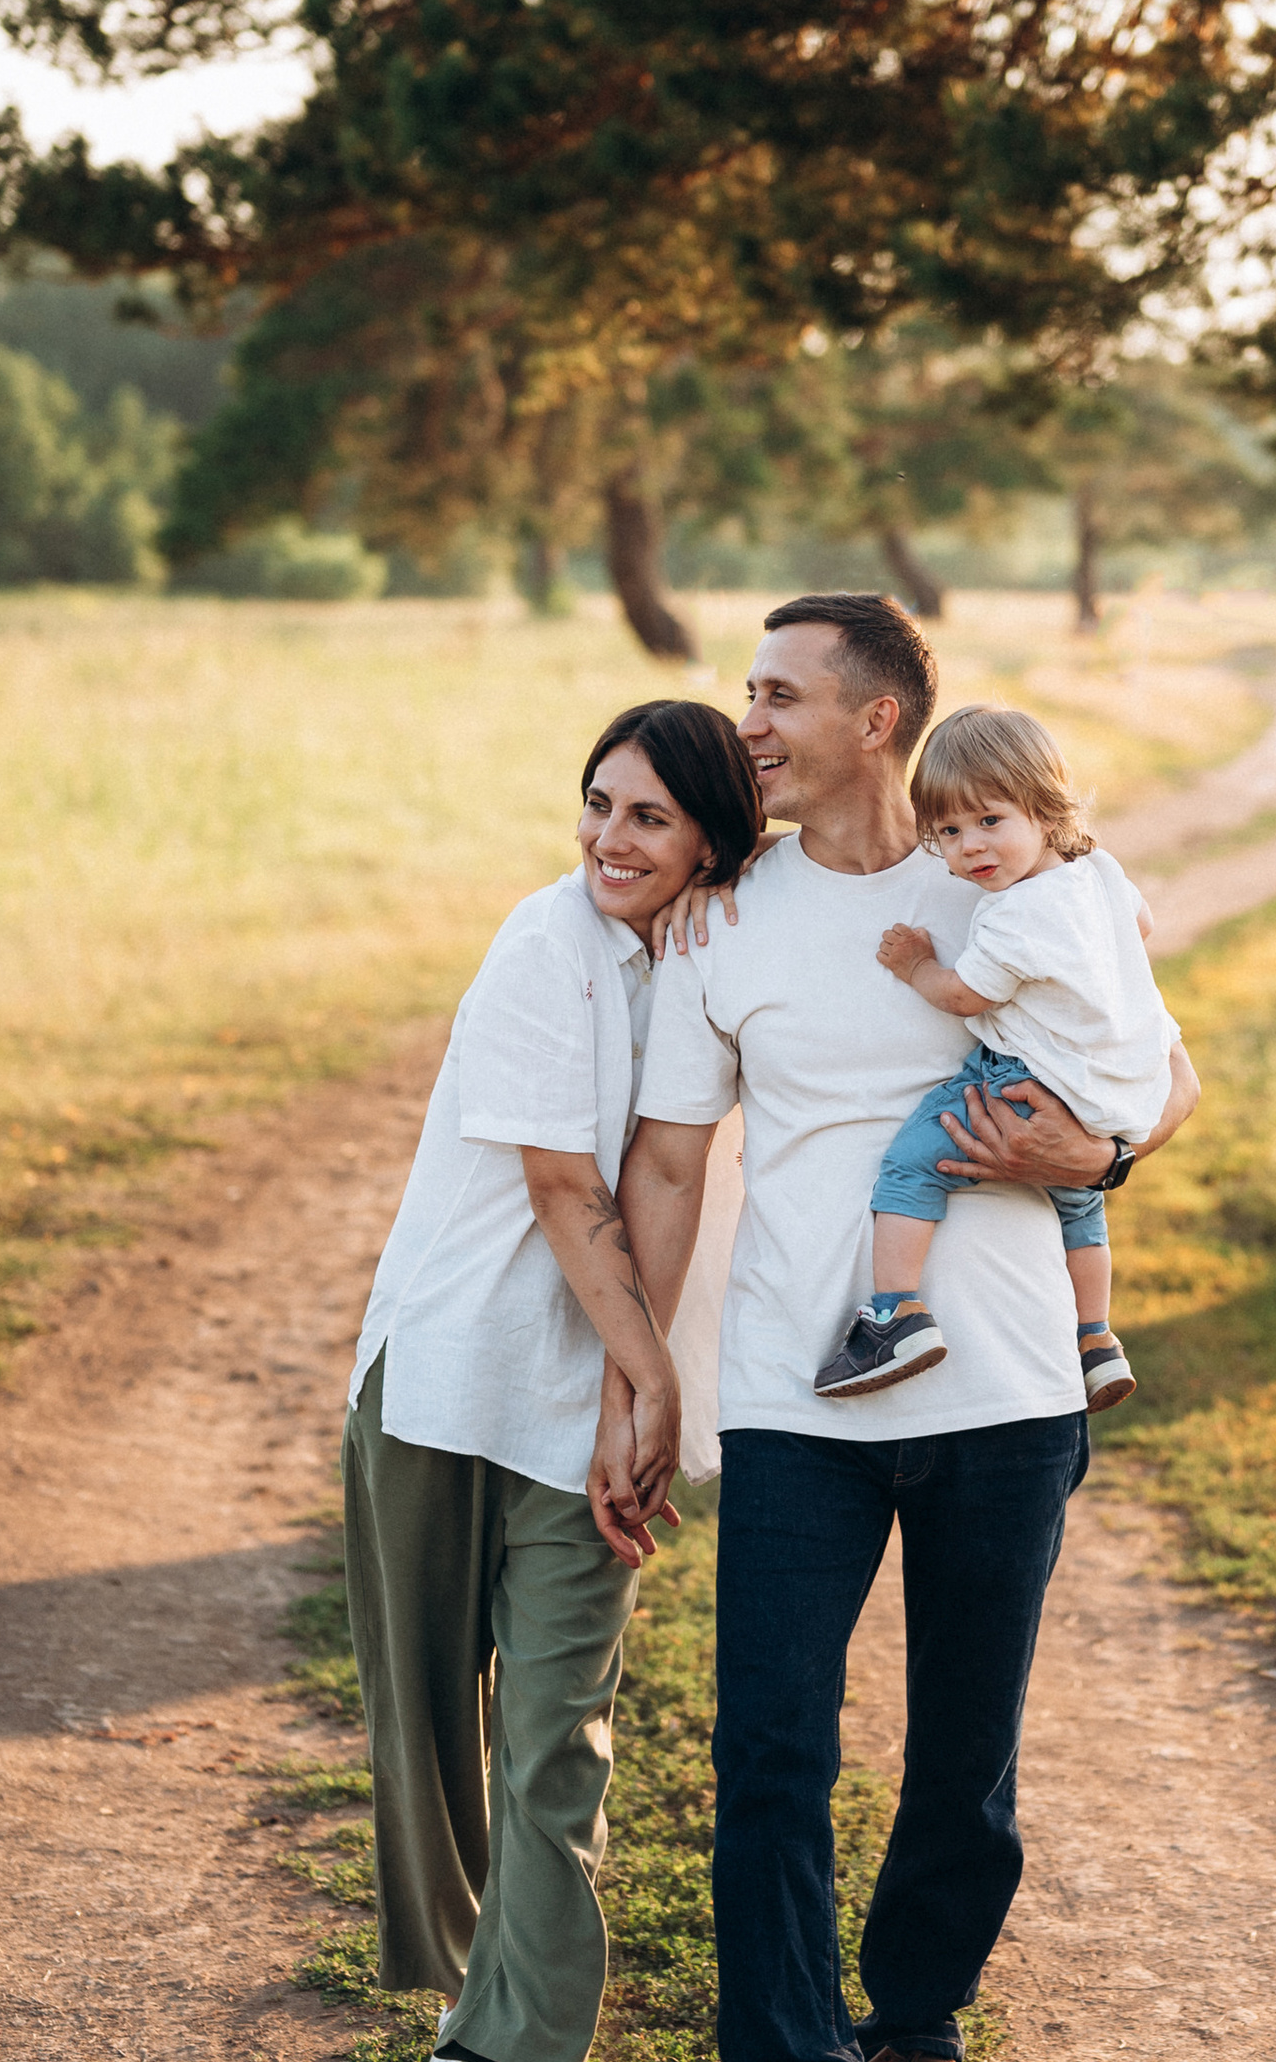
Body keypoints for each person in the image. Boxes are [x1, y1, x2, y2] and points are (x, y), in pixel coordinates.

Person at [603, 593, 1201, 2062]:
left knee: (962, 1755)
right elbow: (671, 1162)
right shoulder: (721, 917)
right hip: (800, 1401)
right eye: (748, 694)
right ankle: (783, 2042)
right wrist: (642, 1378)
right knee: (769, 1754)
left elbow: (1167, 1075)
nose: (747, 725)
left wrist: (1103, 1163)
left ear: (875, 719)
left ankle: (920, 2012)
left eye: (778, 696)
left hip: (1004, 1395)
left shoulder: (1009, 879)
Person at [340, 699, 762, 2062]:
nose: (609, 838)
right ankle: (475, 1989)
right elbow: (560, 1186)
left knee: (553, 1745)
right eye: (599, 803)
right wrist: (651, 1381)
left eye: (649, 815)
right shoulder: (545, 942)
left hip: (593, 1418)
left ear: (710, 840)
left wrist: (631, 1398)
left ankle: (517, 2042)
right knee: (433, 1732)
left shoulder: (717, 953)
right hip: (454, 1383)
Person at [816, 702, 1167, 1413]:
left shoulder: (1014, 915)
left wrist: (915, 965)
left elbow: (963, 995)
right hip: (1110, 1088)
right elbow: (1144, 922)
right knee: (1078, 1205)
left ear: (1044, 808)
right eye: (948, 831)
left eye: (989, 822)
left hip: (1025, 1080)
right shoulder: (1094, 867)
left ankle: (894, 1315)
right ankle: (1096, 1338)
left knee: (913, 1162)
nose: (970, 848)